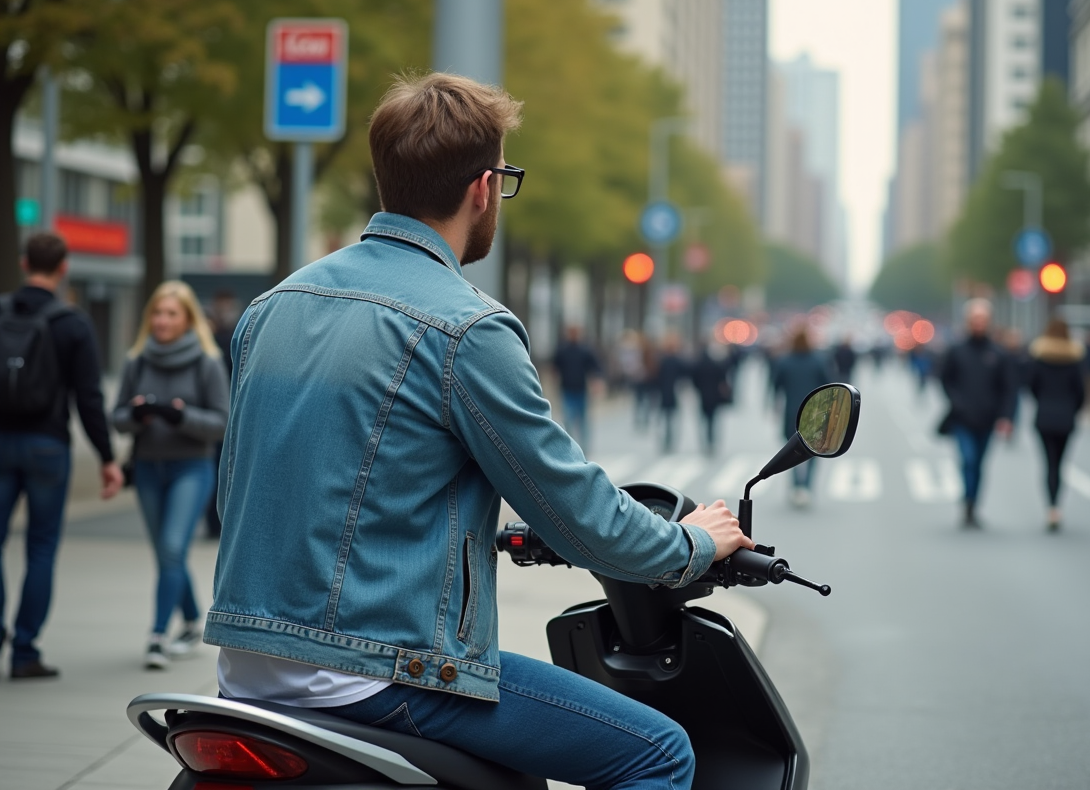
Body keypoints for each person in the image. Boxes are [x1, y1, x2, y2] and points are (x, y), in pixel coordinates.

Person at [204, 73, 751, 790]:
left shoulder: (270, 307)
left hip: (245, 665)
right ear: (485, 188)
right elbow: (574, 506)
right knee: (658, 752)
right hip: (381, 670)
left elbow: (244, 488)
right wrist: (691, 543)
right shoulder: (467, 328)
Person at [0, 232, 124, 679]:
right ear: (63, 266)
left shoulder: (2, 312)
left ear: (23, 261)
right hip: (47, 448)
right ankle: (25, 650)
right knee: (40, 548)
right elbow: (88, 398)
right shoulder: (72, 323)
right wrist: (108, 458)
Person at [112, 281, 229, 669]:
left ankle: (157, 636)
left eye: (171, 314)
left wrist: (181, 417)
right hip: (147, 468)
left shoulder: (206, 361)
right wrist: (138, 414)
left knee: (172, 548)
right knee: (167, 554)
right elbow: (118, 419)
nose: (162, 321)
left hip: (190, 469)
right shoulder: (137, 360)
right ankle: (192, 620)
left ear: (187, 319)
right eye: (157, 314)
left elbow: (222, 422)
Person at [938, 299, 1016, 527]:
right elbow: (945, 379)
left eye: (982, 319)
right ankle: (967, 502)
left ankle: (973, 503)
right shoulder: (956, 350)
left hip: (987, 419)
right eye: (975, 319)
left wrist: (1006, 417)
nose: (979, 323)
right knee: (968, 460)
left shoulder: (998, 354)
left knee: (980, 463)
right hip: (962, 418)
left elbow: (1009, 389)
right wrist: (956, 402)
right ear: (968, 321)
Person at [1027, 319, 1086, 532]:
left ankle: (1051, 506)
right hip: (1066, 418)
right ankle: (1056, 505)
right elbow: (1081, 392)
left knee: (1049, 463)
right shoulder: (1074, 358)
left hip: (1044, 416)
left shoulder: (1040, 357)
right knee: (1060, 464)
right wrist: (1072, 409)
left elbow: (1031, 386)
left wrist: (1043, 402)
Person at [772, 328, 830, 508]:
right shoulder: (818, 361)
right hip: (815, 413)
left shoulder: (784, 361)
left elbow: (776, 386)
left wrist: (774, 406)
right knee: (814, 452)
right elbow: (829, 385)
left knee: (792, 452)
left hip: (791, 413)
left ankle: (796, 486)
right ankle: (807, 487)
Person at [203, 289, 239, 540]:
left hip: (228, 408)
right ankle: (213, 522)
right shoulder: (209, 331)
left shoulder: (237, 329)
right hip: (214, 410)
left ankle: (218, 521)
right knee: (215, 464)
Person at [551, 324, 602, 453]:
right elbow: (554, 367)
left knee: (583, 421)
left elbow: (595, 368)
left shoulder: (585, 350)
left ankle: (584, 448)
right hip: (567, 390)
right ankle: (569, 447)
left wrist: (596, 382)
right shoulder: (562, 350)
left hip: (581, 390)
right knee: (568, 420)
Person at [692, 341, 732, 455]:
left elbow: (694, 380)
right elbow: (722, 379)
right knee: (712, 420)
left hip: (703, 396)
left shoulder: (698, 365)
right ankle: (711, 441)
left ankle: (706, 441)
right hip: (714, 396)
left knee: (704, 420)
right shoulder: (716, 364)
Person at [655, 332, 689, 453]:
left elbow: (655, 378)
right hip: (672, 393)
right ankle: (669, 440)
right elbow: (686, 373)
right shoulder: (676, 360)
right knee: (671, 419)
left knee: (664, 419)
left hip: (663, 393)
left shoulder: (661, 361)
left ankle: (666, 440)